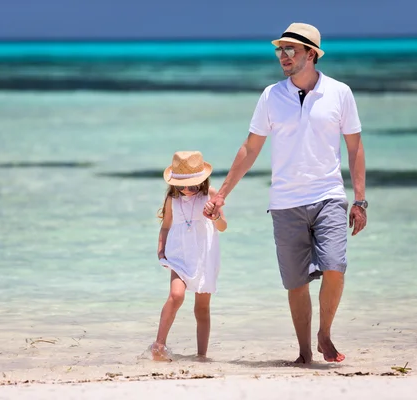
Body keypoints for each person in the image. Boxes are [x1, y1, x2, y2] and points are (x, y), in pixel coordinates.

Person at [203, 23, 367, 364]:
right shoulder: (271, 96)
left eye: (291, 49)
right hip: (285, 202)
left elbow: (354, 147)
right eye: (280, 50)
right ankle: (305, 352)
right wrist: (222, 194)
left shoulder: (340, 93)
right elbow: (250, 149)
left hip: (329, 196)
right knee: (296, 282)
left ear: (311, 54)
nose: (284, 56)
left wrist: (360, 199)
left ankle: (325, 333)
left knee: (335, 266)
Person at [151, 150, 228, 361]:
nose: (186, 190)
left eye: (192, 185)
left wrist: (215, 216)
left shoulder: (210, 195)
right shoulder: (171, 199)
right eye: (182, 185)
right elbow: (166, 226)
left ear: (202, 181)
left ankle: (202, 355)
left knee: (202, 307)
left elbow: (223, 226)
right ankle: (159, 344)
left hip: (204, 256)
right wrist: (161, 249)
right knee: (176, 296)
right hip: (179, 255)